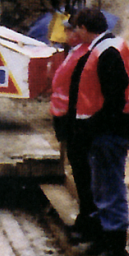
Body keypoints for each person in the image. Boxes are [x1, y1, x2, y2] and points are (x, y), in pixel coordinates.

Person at [68, 7, 129, 256]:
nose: (74, 32)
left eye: (77, 28)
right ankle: (104, 238)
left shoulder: (106, 53)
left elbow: (114, 99)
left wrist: (92, 127)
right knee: (102, 187)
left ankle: (114, 249)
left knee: (109, 188)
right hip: (107, 130)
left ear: (85, 28)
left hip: (109, 132)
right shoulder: (108, 47)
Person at [49, 19, 94, 243]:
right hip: (68, 116)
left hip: (75, 118)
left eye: (71, 29)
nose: (66, 33)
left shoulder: (85, 55)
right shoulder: (75, 52)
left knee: (83, 171)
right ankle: (85, 220)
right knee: (79, 169)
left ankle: (88, 223)